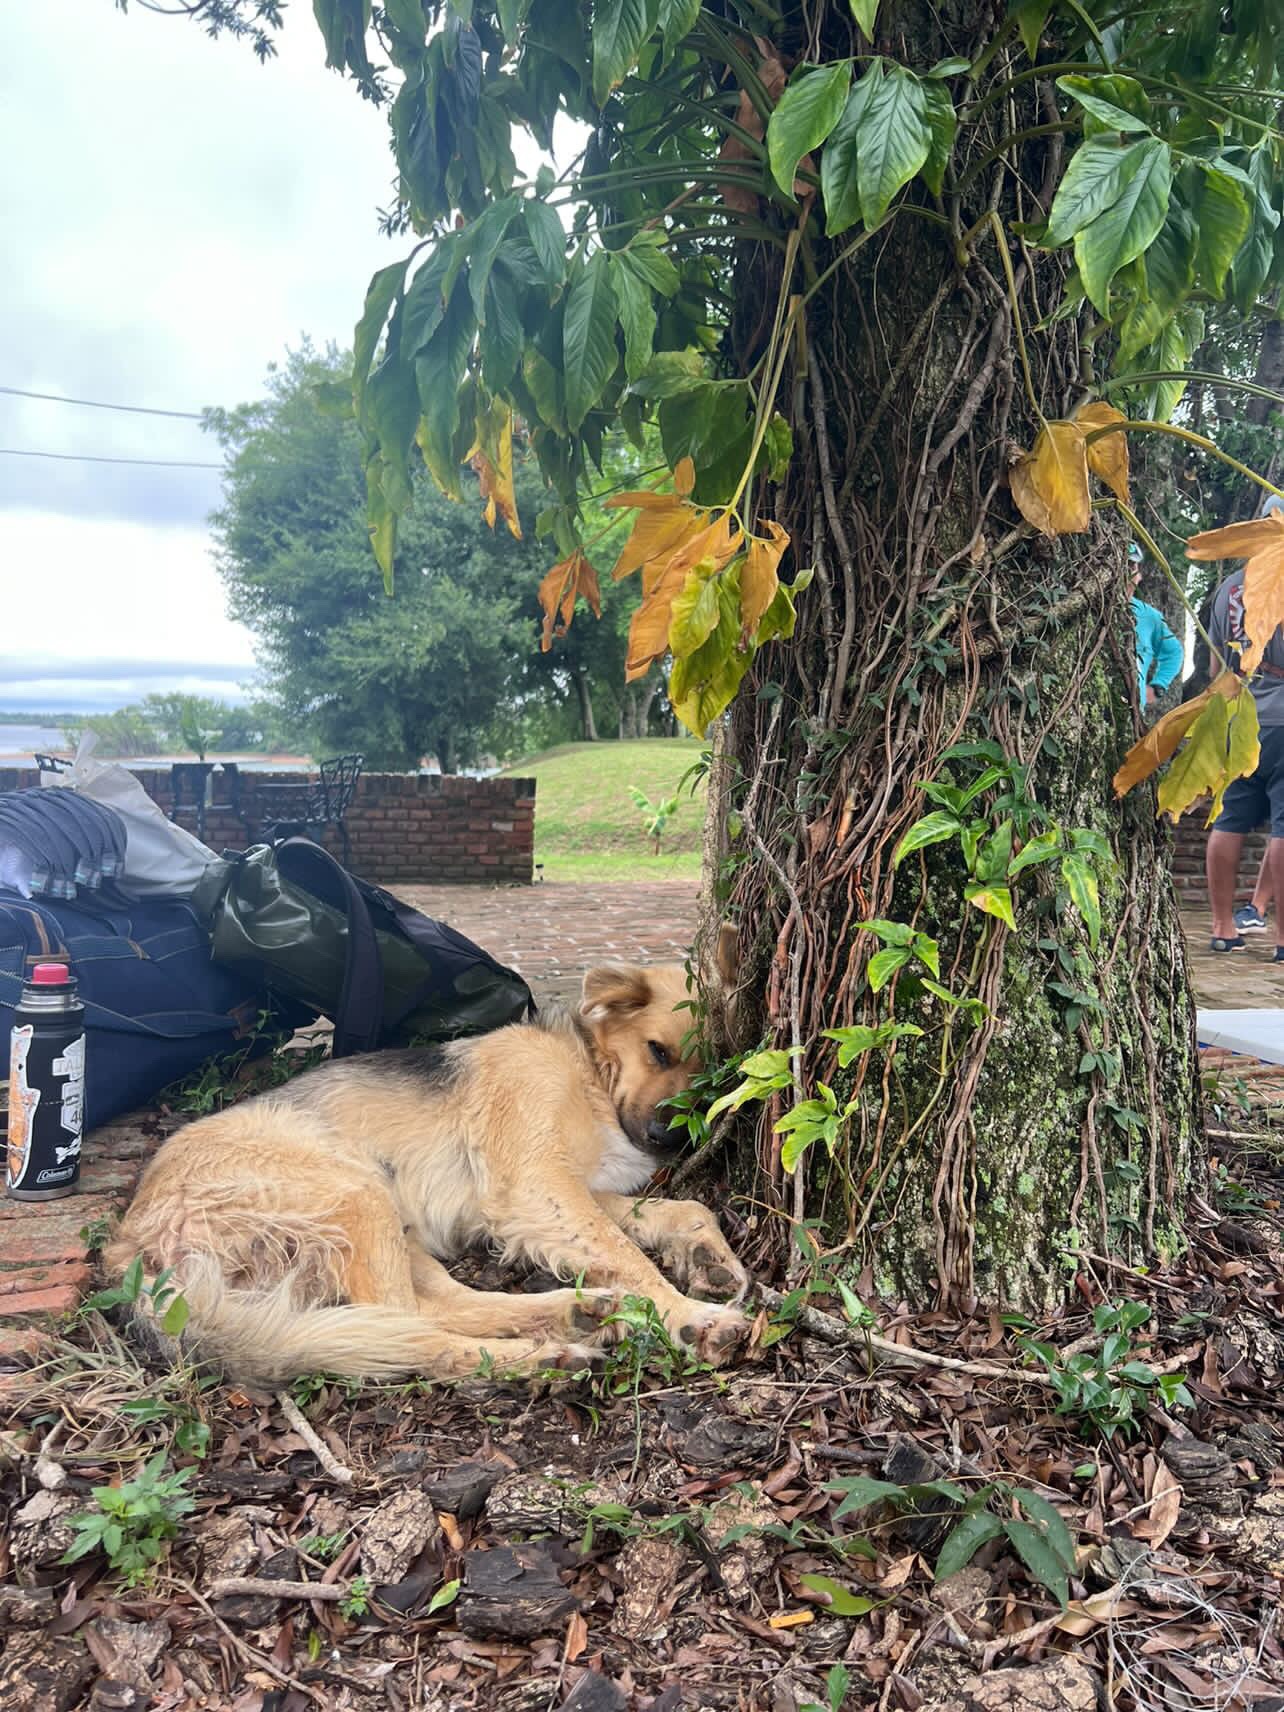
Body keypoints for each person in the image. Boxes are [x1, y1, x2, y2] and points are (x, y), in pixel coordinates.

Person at [1205, 494, 1284, 955]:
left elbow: (1217, 664)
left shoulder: (1228, 589)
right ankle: (1282, 938)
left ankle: (1222, 927)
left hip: (1239, 718)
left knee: (1230, 820)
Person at [1129, 544, 1183, 713]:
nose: (1128, 575)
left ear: (1138, 576)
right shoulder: (1093, 607)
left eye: (1132, 568)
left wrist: (1158, 686)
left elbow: (1174, 652)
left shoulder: (1149, 617)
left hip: (1131, 714)